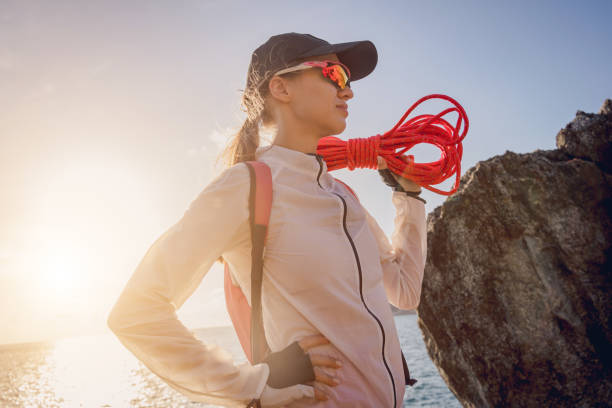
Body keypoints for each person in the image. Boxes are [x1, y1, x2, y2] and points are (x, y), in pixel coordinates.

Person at [107, 32, 427, 408]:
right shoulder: (246, 187)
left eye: (348, 81)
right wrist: (252, 385)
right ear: (281, 87)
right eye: (335, 75)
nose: (348, 92)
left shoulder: (343, 196)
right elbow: (136, 312)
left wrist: (409, 197)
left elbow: (404, 291)